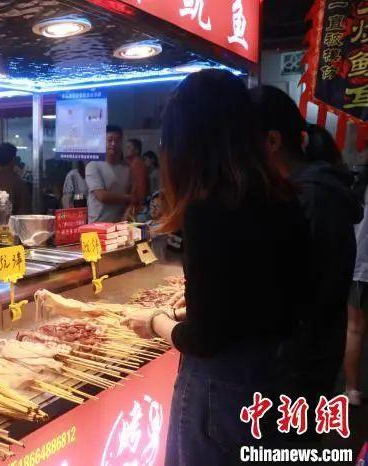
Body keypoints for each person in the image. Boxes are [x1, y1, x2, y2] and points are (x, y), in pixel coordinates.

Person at [122, 70, 309, 464]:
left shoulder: (209, 210)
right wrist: (185, 310)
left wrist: (156, 321)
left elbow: (204, 339)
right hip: (276, 379)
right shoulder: (283, 197)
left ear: (189, 143)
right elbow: (255, 299)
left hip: (220, 394)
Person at [252, 86, 363, 415]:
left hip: (300, 365)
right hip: (303, 356)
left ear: (272, 142)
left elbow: (306, 291)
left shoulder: (313, 197)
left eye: (243, 142)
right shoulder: (302, 191)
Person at [347, 168, 368, 405]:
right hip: (360, 267)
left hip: (359, 268)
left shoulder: (358, 190)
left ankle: (352, 390)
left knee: (354, 329)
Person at [85, 125, 133, 223]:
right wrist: (129, 198)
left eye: (117, 140)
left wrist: (128, 210)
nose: (113, 144)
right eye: (109, 140)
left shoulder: (127, 168)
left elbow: (131, 193)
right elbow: (102, 196)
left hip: (120, 224)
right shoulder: (93, 166)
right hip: (97, 224)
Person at [124, 138, 148, 213]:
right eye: (126, 147)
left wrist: (136, 203)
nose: (126, 150)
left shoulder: (137, 163)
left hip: (135, 204)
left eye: (129, 147)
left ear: (137, 150)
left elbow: (140, 185)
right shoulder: (131, 163)